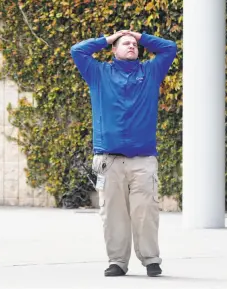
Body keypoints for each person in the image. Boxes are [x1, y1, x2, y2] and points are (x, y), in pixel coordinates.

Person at [70, 29, 177, 277]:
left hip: (143, 159)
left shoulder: (150, 72)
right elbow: (77, 50)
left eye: (134, 44)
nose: (131, 46)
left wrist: (141, 36)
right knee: (112, 214)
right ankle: (117, 261)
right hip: (109, 160)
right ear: (113, 50)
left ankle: (151, 259)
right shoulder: (98, 73)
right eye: (125, 43)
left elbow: (169, 48)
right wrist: (108, 37)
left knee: (146, 212)